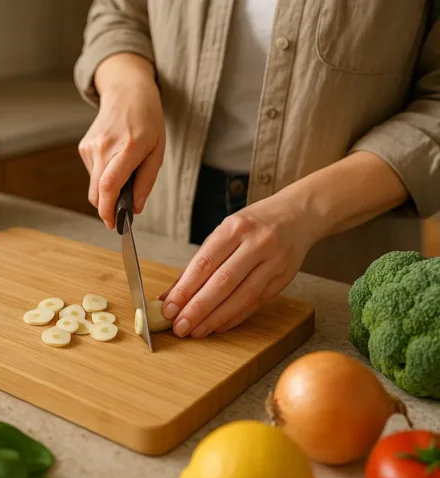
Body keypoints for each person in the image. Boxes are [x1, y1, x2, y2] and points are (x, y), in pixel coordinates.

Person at [73, 0, 440, 339]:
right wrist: (126, 86)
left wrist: (307, 211)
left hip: (336, 249)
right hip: (163, 221)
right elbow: (118, 13)